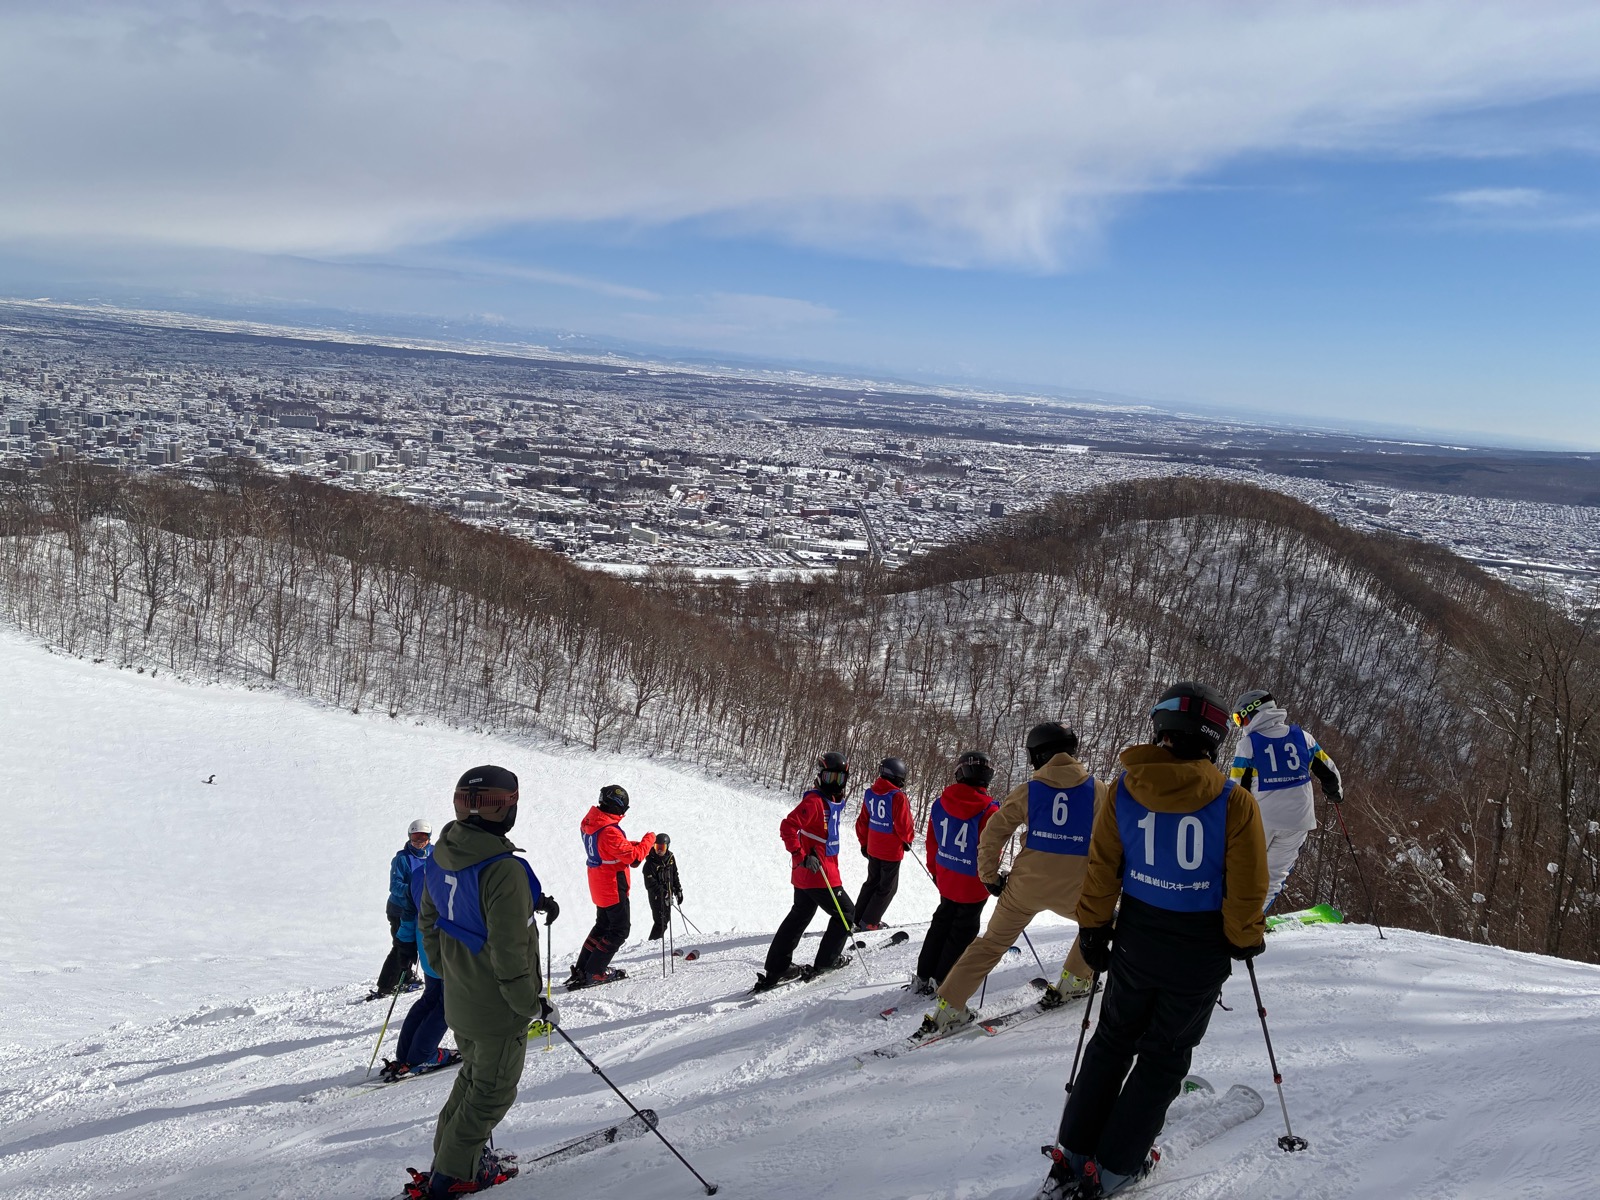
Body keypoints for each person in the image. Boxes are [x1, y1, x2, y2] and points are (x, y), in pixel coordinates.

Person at [1038, 683, 1268, 1200]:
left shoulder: (1125, 787)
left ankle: (1074, 1151)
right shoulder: (1235, 802)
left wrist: (1094, 928)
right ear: (1213, 738)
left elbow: (1102, 868)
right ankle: (1117, 1166)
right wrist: (1243, 939)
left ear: (1160, 729)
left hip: (1136, 939)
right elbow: (1247, 887)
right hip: (1198, 950)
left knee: (1113, 1039)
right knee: (1164, 1055)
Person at [413, 765, 560, 1199]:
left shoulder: (442, 851)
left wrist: (444, 971)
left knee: (474, 1080)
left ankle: (451, 1159)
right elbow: (510, 952)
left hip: (461, 997)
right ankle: (455, 1173)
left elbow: (429, 919)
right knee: (491, 1094)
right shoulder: (503, 869)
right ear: (506, 806)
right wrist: (531, 1005)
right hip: (497, 1006)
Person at [925, 722, 1102, 1034]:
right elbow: (1114, 842)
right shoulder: (1099, 790)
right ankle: (1074, 979)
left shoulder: (1029, 790)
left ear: (1039, 755)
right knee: (1099, 925)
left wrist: (990, 877)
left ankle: (948, 1007)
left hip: (1024, 885)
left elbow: (993, 834)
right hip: (1074, 889)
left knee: (991, 944)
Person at [1229, 689, 1344, 912]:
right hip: (1298, 821)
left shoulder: (1249, 745)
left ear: (1253, 713)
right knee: (1274, 876)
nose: (1240, 724)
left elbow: (1236, 790)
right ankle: (1254, 920)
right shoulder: (1304, 737)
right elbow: (1330, 771)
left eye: (1239, 718)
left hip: (1262, 820)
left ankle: (1232, 919)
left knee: (1243, 871)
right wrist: (1335, 793)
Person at [753, 752, 857, 991]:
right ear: (820, 775)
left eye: (840, 778)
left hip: (809, 874)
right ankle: (826, 963)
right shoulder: (814, 802)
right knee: (846, 915)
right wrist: (800, 855)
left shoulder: (831, 801)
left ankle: (777, 968)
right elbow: (788, 826)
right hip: (817, 874)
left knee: (800, 915)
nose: (834, 783)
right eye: (830, 776)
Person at [911, 750, 1000, 997]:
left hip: (947, 876)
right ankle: (943, 979)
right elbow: (991, 850)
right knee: (962, 930)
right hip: (973, 883)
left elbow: (932, 842)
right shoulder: (990, 809)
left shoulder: (940, 802)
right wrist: (992, 879)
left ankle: (924, 974)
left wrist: (936, 872)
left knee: (941, 922)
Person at [569, 785, 654, 988]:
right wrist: (648, 840)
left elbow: (613, 846)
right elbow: (633, 858)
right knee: (619, 930)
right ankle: (595, 972)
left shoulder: (592, 823)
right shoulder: (609, 831)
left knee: (602, 927)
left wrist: (631, 844)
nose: (624, 813)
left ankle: (583, 968)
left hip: (599, 883)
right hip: (613, 885)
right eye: (624, 808)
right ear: (617, 807)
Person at [369, 819, 432, 1001]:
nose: (418, 841)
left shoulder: (435, 854)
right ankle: (386, 985)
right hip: (400, 909)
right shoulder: (402, 859)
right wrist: (415, 891)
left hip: (424, 908)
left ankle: (406, 976)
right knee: (401, 946)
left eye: (422, 837)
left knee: (421, 944)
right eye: (414, 837)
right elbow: (395, 886)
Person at [853, 756, 915, 930]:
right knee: (887, 888)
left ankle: (857, 918)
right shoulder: (898, 797)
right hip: (890, 852)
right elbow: (904, 825)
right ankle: (870, 922)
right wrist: (907, 840)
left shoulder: (870, 793)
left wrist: (864, 843)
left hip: (873, 848)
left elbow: (862, 822)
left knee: (872, 882)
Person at [643, 832, 683, 941]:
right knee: (661, 922)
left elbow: (674, 874)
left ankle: (654, 943)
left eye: (662, 847)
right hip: (656, 897)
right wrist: (663, 893)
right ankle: (652, 944)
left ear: (667, 847)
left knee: (665, 920)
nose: (659, 850)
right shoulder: (650, 864)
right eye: (657, 847)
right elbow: (650, 884)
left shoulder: (670, 858)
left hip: (667, 896)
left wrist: (678, 890)